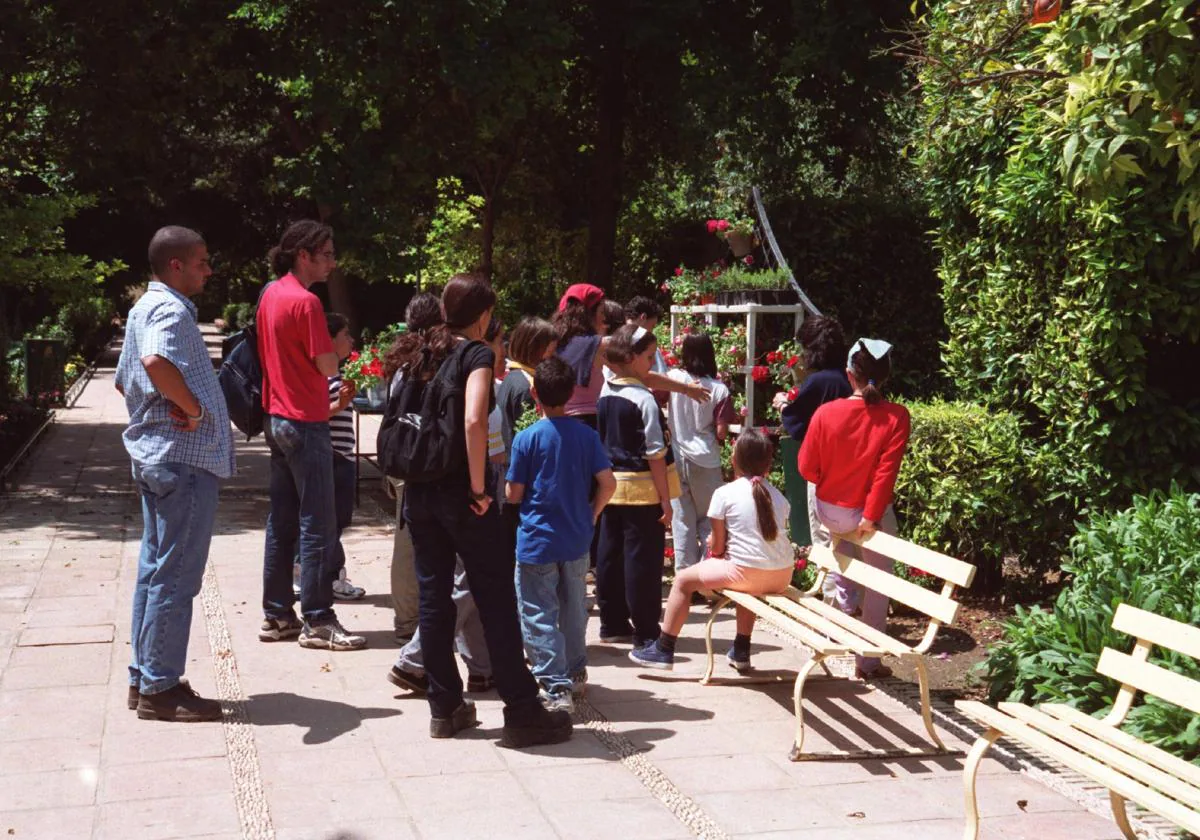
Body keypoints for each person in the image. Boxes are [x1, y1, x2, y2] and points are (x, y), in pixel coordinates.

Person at [388, 273, 572, 746]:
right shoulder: (473, 353)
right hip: (459, 493)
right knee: (495, 599)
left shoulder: (421, 350)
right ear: (484, 314)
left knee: (434, 599)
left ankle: (445, 707)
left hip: (419, 491)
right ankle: (523, 710)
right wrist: (476, 488)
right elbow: (474, 419)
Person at [115, 226, 235, 721]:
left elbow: (125, 381)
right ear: (176, 265)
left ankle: (145, 677)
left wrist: (169, 405)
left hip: (159, 456)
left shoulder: (143, 306)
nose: (209, 269)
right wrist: (193, 408)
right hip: (182, 460)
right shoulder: (167, 309)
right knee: (176, 575)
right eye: (203, 261)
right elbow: (153, 361)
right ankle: (161, 688)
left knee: (154, 571)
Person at [256, 220, 366, 651]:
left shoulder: (269, 294)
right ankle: (318, 619)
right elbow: (326, 366)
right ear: (304, 254)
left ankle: (277, 614)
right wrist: (339, 356)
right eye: (326, 254)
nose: (332, 263)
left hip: (277, 417)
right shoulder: (306, 303)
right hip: (306, 420)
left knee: (281, 522)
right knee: (318, 524)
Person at [629, 428, 793, 671]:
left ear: (734, 460)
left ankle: (664, 648)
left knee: (683, 580)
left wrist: (713, 548)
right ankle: (741, 649)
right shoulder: (780, 498)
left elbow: (717, 548)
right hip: (781, 575)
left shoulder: (724, 494)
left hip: (746, 573)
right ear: (768, 464)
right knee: (748, 583)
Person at [506, 357, 616, 712]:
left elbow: (513, 493)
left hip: (537, 539)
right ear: (571, 393)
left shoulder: (526, 439)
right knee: (573, 609)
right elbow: (608, 483)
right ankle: (576, 672)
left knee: (538, 612)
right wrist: (593, 513)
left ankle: (555, 687)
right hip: (576, 537)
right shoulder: (588, 436)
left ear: (534, 393)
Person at [799, 338, 910, 679]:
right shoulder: (896, 416)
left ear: (849, 375)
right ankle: (869, 661)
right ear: (887, 376)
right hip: (865, 516)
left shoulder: (825, 412)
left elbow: (807, 468)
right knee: (879, 582)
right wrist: (870, 516)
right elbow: (885, 474)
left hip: (828, 509)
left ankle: (838, 627)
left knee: (841, 564)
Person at [594, 324, 681, 646]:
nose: (651, 364)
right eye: (648, 357)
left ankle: (612, 621)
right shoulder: (642, 399)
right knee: (642, 562)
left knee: (609, 555)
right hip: (643, 491)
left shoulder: (608, 391)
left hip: (610, 487)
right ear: (630, 358)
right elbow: (655, 454)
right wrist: (666, 500)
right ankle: (646, 630)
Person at [773, 315, 851, 602]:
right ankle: (854, 608)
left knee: (824, 540)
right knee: (851, 546)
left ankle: (833, 608)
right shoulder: (848, 378)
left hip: (822, 474)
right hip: (852, 472)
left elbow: (797, 425)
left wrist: (783, 405)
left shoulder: (818, 382)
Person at [554, 283, 708, 430]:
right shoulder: (599, 346)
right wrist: (686, 388)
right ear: (588, 313)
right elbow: (641, 376)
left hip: (557, 422)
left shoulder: (555, 343)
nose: (604, 319)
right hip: (588, 424)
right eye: (601, 312)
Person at [382, 292, 442, 643]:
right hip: (424, 459)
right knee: (410, 543)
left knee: (406, 541)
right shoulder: (431, 361)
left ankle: (408, 621)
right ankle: (410, 623)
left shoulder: (400, 362)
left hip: (401, 458)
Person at [666, 333, 734, 577]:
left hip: (676, 456)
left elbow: (658, 399)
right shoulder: (719, 389)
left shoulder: (674, 378)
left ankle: (685, 577)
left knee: (682, 520)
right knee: (709, 518)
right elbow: (722, 432)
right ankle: (709, 576)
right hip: (705, 459)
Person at [325, 313, 366, 600]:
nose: (350, 340)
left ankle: (327, 575)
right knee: (332, 523)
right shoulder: (327, 375)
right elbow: (318, 412)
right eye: (345, 335)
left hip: (341, 456)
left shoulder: (336, 374)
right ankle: (331, 577)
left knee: (335, 523)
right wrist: (339, 403)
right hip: (335, 456)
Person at [497, 316, 558, 460]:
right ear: (534, 350)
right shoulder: (527, 386)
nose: (553, 358)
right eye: (549, 353)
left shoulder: (512, 377)